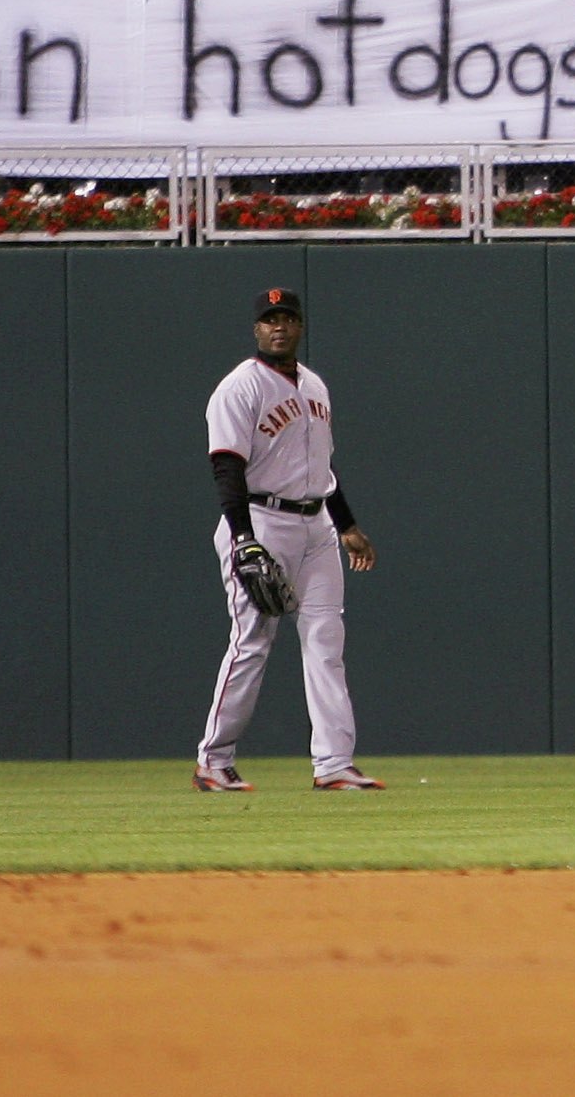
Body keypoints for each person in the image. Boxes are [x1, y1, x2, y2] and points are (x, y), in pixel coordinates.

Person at [196, 289, 382, 795]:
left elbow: (323, 467)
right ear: (256, 329)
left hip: (317, 524)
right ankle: (213, 760)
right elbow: (226, 466)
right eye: (269, 319)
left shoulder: (315, 385)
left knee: (326, 642)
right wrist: (243, 540)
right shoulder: (239, 387)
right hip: (259, 518)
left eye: (287, 318)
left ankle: (334, 764)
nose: (278, 326)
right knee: (252, 640)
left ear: (300, 327)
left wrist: (346, 524)